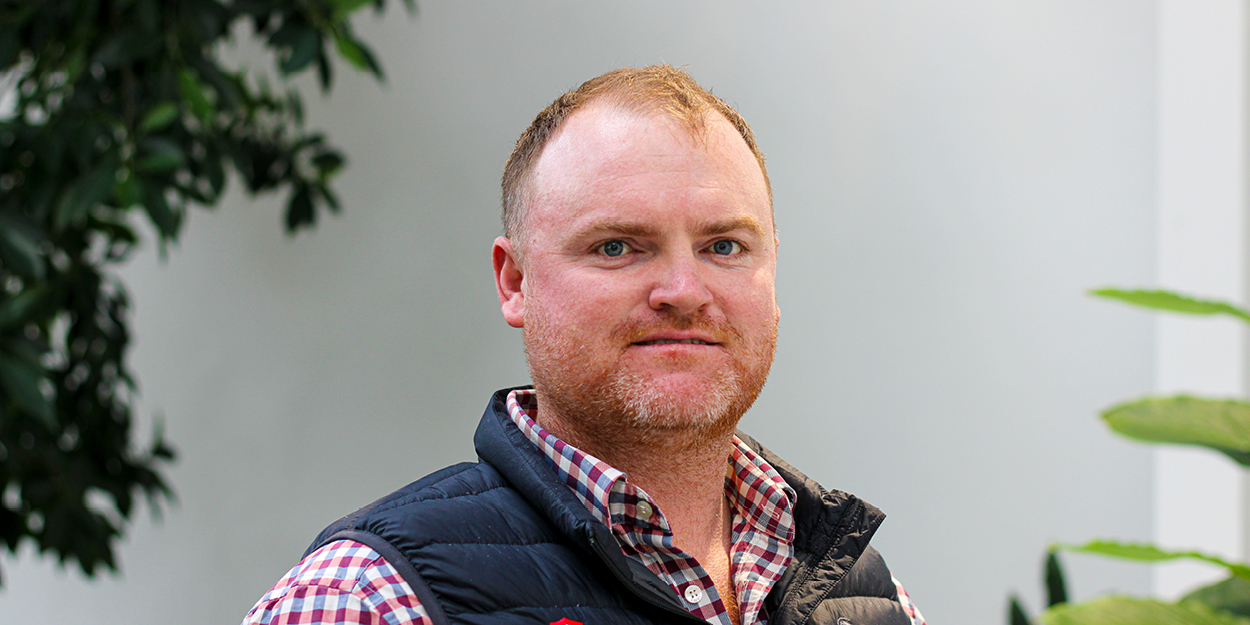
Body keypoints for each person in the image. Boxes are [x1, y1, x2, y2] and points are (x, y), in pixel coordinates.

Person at [242, 64, 926, 625]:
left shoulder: (867, 599)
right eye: (618, 246)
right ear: (515, 281)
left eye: (724, 246)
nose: (683, 290)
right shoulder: (368, 601)